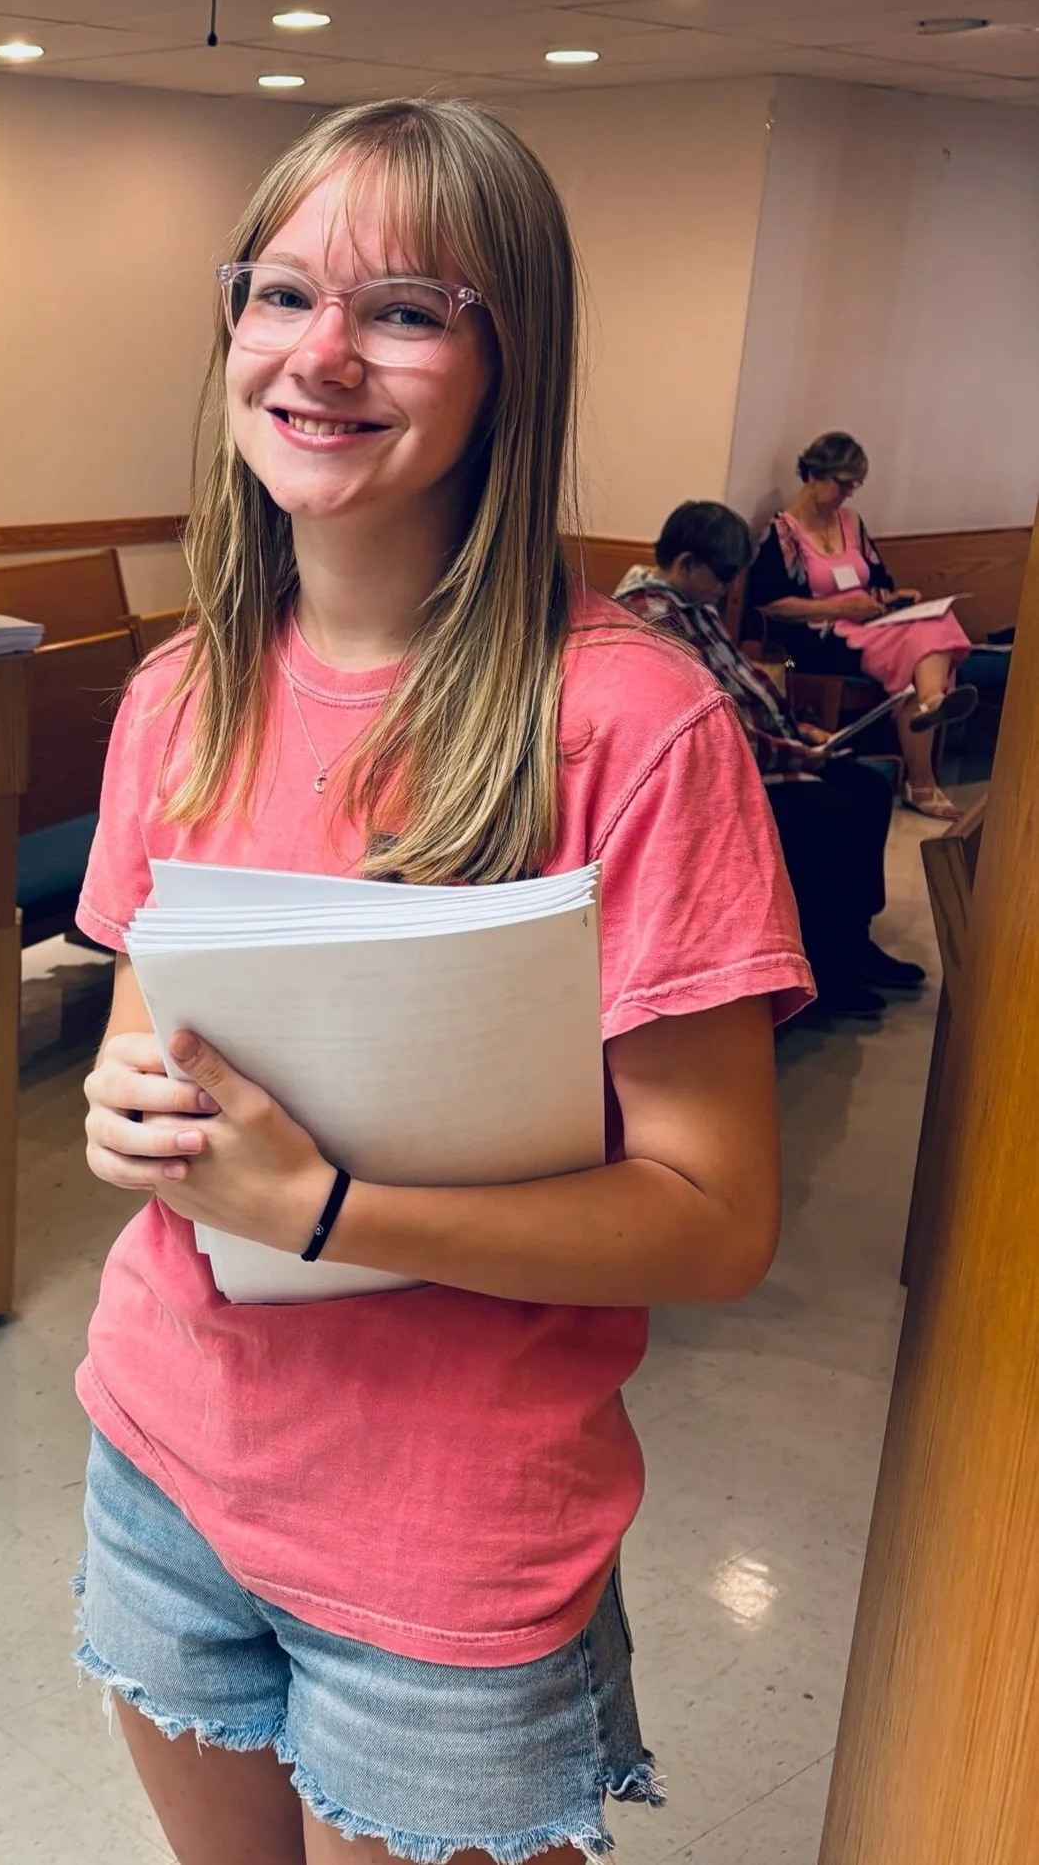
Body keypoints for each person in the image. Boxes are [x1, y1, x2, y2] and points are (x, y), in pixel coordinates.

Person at [73, 99, 812, 1865]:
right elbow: (138, 1024)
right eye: (280, 294)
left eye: (404, 309)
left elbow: (714, 1221)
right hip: (162, 1458)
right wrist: (127, 1111)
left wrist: (331, 1208)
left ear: (506, 362)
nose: (320, 354)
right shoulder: (179, 691)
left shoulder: (631, 723)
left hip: (448, 1538)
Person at [617, 502, 925, 1022]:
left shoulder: (691, 604)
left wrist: (798, 727)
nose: (727, 588)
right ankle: (824, 966)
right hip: (723, 771)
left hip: (767, 750)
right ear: (688, 563)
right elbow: (706, 721)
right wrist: (794, 750)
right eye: (723, 576)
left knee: (870, 789)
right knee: (830, 813)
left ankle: (854, 939)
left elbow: (741, 688)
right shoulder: (653, 612)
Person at [745, 432, 974, 818]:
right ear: (814, 474)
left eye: (854, 486)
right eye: (842, 484)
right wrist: (841, 607)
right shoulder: (784, 532)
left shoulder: (851, 523)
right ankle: (923, 770)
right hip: (821, 635)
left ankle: (931, 705)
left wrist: (894, 597)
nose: (846, 495)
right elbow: (770, 605)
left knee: (935, 618)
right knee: (921, 646)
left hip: (870, 622)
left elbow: (878, 579)